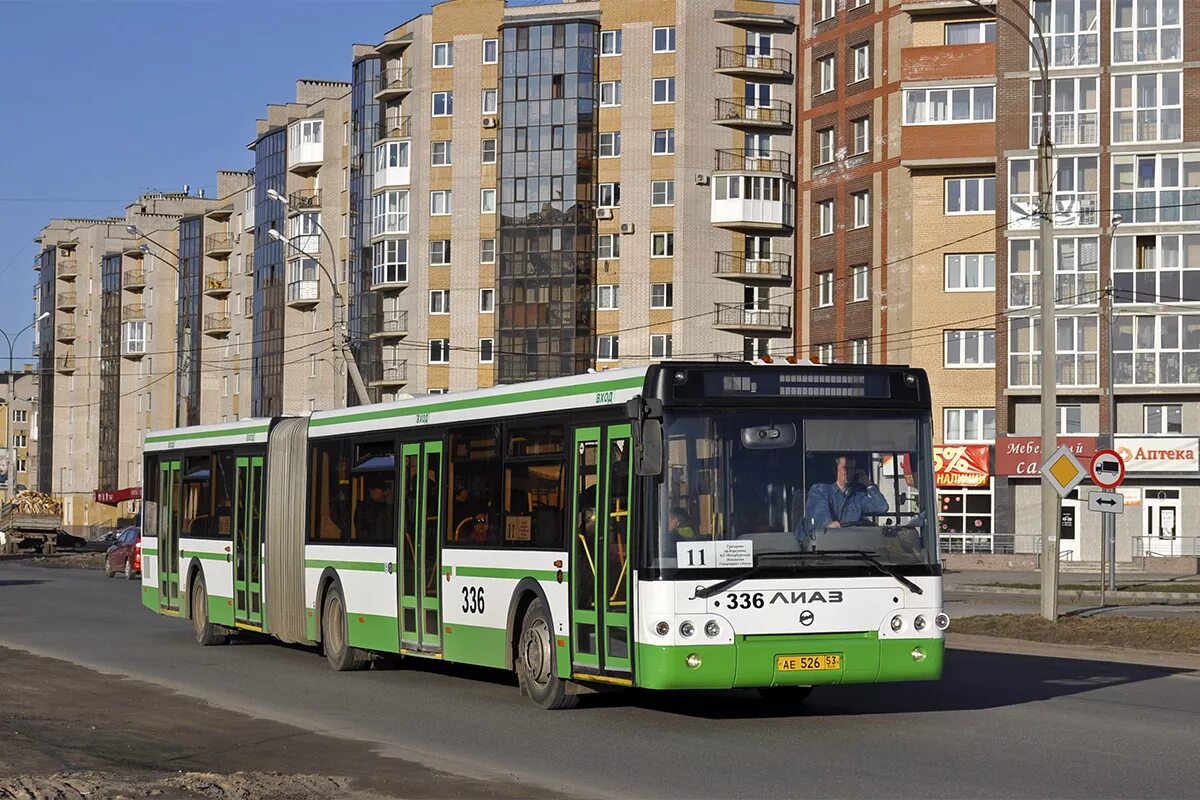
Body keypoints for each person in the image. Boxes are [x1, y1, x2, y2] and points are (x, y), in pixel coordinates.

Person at [804, 454, 888, 531]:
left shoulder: (858, 496)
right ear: (835, 470)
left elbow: (882, 507)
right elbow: (820, 510)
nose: (849, 472)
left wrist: (869, 485)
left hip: (851, 543)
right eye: (845, 468)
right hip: (824, 542)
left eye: (852, 469)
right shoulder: (820, 490)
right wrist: (828, 523)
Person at [354, 478, 393, 542]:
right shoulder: (363, 507)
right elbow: (361, 529)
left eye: (376, 489)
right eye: (372, 489)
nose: (373, 492)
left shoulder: (388, 508)